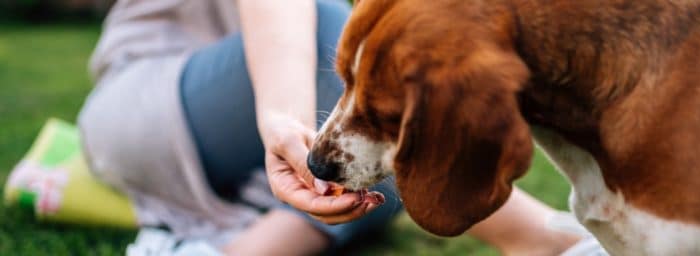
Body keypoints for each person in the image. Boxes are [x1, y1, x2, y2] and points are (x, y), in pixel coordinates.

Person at [77, 0, 602, 255]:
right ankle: (533, 234)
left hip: (245, 130)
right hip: (147, 99)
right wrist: (284, 119)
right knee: (343, 31)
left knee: (368, 188)